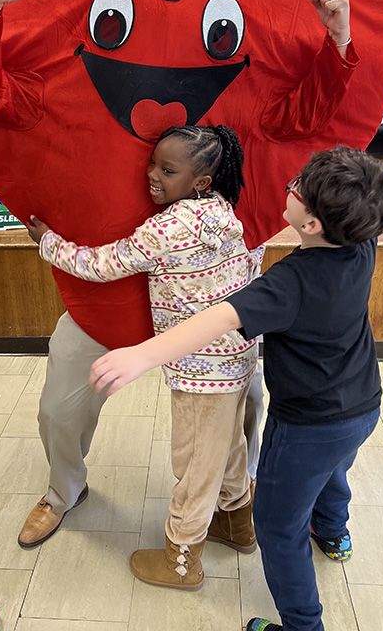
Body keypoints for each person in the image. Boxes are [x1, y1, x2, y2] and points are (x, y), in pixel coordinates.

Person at [0, 0, 358, 552]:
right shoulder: (72, 87)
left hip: (200, 325)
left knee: (241, 403)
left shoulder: (222, 134)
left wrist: (339, 35)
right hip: (106, 304)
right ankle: (64, 491)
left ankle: (231, 507)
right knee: (60, 407)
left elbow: (306, 113)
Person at [89, 146, 383, 630]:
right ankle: (335, 534)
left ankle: (303, 624)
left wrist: (141, 355)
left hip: (305, 425)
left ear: (314, 225)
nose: (289, 189)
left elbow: (217, 318)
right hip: (363, 405)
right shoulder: (363, 240)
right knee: (333, 473)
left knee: (279, 528)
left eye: (297, 190)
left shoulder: (290, 283)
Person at [26, 124, 265, 588]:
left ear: (200, 181)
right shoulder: (223, 210)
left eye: (167, 169)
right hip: (238, 358)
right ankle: (238, 525)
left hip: (201, 373)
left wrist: (47, 242)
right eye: (153, 162)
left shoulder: (165, 228)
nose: (152, 174)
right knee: (228, 447)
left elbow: (100, 265)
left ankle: (182, 561)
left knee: (195, 465)